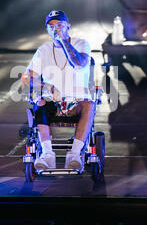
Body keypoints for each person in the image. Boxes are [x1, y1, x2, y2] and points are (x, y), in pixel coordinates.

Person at [22, 10, 95, 170]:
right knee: (39, 102)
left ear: (68, 26)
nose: (55, 29)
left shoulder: (81, 43)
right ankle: (47, 154)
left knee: (89, 104)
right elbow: (26, 79)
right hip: (52, 102)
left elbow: (79, 63)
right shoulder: (43, 50)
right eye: (51, 26)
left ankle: (75, 155)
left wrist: (63, 40)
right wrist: (46, 86)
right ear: (47, 30)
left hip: (77, 102)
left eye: (59, 25)